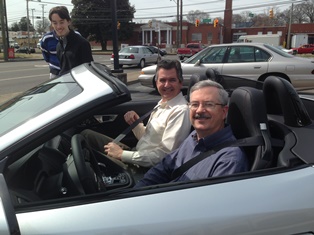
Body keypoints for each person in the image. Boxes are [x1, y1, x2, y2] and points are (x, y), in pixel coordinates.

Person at [135, 80, 248, 187]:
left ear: (224, 112)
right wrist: (137, 191)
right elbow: (164, 168)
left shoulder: (229, 160)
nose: (199, 110)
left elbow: (210, 204)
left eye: (208, 104)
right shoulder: (193, 137)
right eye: (194, 104)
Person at [82, 59, 191, 170]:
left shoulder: (180, 111)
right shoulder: (163, 103)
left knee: (86, 163)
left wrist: (121, 154)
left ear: (180, 82)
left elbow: (165, 156)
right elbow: (148, 139)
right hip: (137, 153)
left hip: (142, 168)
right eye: (162, 80)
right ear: (156, 82)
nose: (167, 85)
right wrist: (136, 125)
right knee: (85, 136)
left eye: (172, 80)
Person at [48, 6, 93, 75]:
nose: (58, 26)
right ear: (52, 24)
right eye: (55, 23)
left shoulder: (82, 43)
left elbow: (89, 71)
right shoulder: (59, 46)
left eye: (61, 22)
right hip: (65, 84)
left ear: (68, 21)